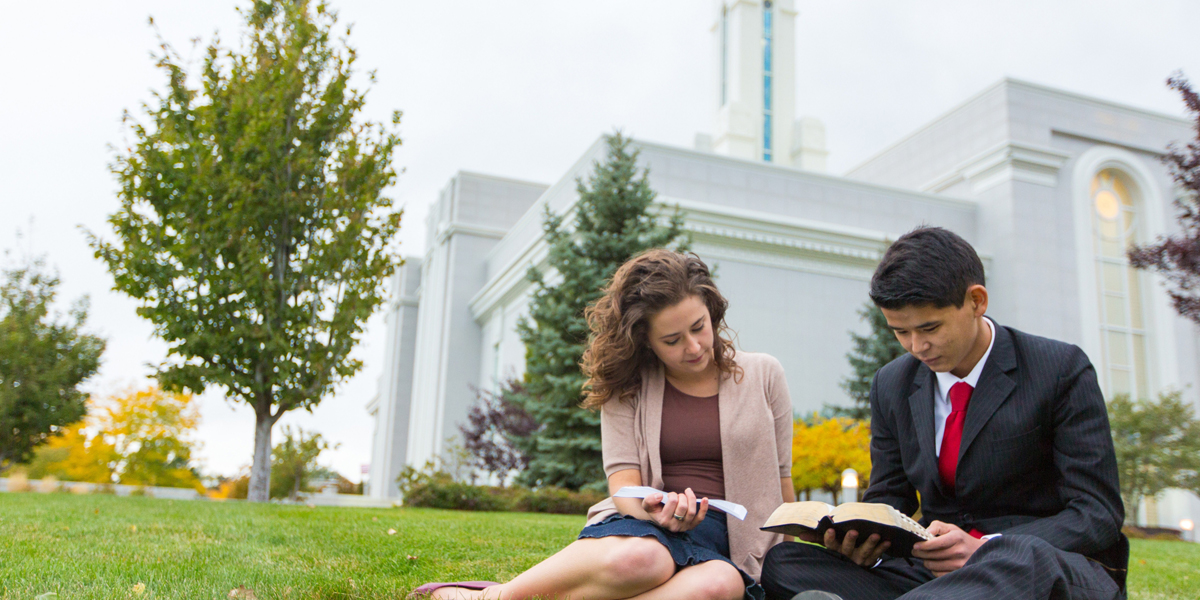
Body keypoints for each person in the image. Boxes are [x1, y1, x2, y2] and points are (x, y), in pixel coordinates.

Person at [761, 226, 1128, 600]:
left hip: (1032, 564)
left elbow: (1097, 512)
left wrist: (986, 546)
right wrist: (861, 538)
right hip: (933, 572)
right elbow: (890, 498)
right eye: (900, 332)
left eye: (930, 328)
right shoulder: (892, 384)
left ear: (976, 301)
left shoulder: (1059, 368)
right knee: (785, 562)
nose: (917, 346)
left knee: (1016, 561)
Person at [412, 249, 795, 600]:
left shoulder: (764, 374)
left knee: (720, 585)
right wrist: (656, 511)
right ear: (646, 341)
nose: (693, 347)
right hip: (646, 527)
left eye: (699, 327)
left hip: (730, 548)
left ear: (711, 312)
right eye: (673, 340)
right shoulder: (626, 385)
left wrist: (791, 561)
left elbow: (781, 484)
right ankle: (493, 598)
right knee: (647, 558)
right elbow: (623, 486)